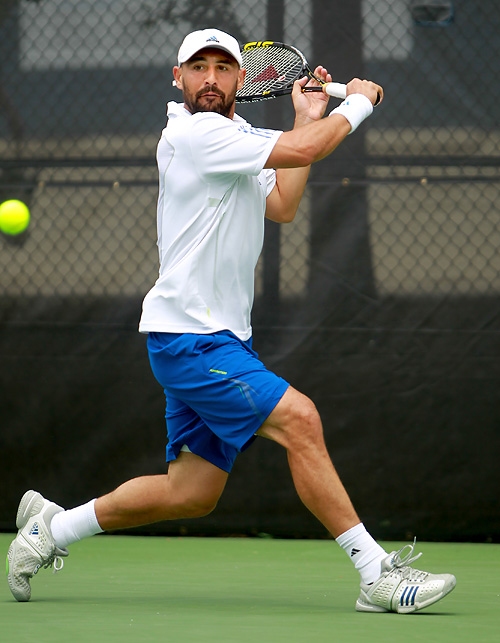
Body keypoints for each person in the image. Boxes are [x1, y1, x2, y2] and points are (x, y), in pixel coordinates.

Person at [6, 28, 456, 612]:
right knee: (301, 420)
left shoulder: (238, 136)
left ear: (242, 78)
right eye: (199, 67)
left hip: (218, 338)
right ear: (178, 77)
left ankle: (51, 528)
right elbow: (306, 151)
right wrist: (358, 104)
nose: (211, 79)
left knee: (191, 493)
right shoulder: (194, 134)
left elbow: (282, 204)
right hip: (190, 340)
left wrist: (309, 116)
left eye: (224, 68)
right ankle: (376, 575)